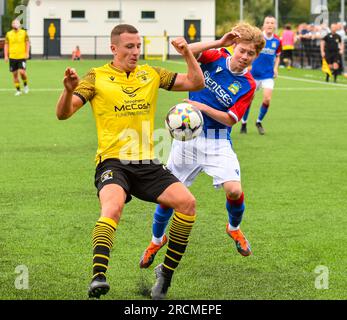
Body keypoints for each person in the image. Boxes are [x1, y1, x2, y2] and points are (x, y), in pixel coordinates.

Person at [55, 24, 205, 300]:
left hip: (147, 162)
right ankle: (98, 277)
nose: (136, 52)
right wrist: (67, 91)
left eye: (138, 46)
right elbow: (63, 114)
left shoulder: (151, 73)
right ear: (114, 48)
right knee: (111, 208)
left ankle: (165, 274)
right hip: (113, 162)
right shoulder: (96, 77)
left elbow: (196, 83)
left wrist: (186, 53)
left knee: (188, 203)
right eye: (129, 47)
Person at [139, 23, 265, 272]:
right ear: (234, 47)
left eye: (250, 54)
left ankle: (234, 228)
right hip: (186, 139)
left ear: (256, 56)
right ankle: (156, 241)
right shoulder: (215, 56)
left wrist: (201, 108)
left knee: (234, 190)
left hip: (218, 139)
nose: (244, 57)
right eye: (241, 50)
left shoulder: (248, 85)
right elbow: (186, 49)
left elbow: (230, 119)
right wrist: (220, 42)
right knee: (169, 197)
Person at [240, 16, 281, 135]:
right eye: (267, 22)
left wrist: (275, 68)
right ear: (263, 25)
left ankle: (258, 121)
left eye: (272, 23)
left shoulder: (277, 41)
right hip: (253, 74)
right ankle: (244, 122)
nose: (269, 25)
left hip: (268, 75)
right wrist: (247, 64)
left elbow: (278, 56)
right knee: (249, 100)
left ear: (275, 25)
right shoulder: (258, 38)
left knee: (267, 99)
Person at [4, 19, 30, 96]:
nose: (15, 24)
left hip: (22, 56)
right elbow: (6, 45)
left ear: (19, 25)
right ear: (12, 25)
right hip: (12, 57)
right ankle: (18, 90)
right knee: (15, 74)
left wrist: (27, 53)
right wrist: (6, 55)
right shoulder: (8, 34)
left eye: (17, 23)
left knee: (22, 72)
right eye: (14, 23)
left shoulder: (24, 33)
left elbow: (27, 43)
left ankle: (25, 85)